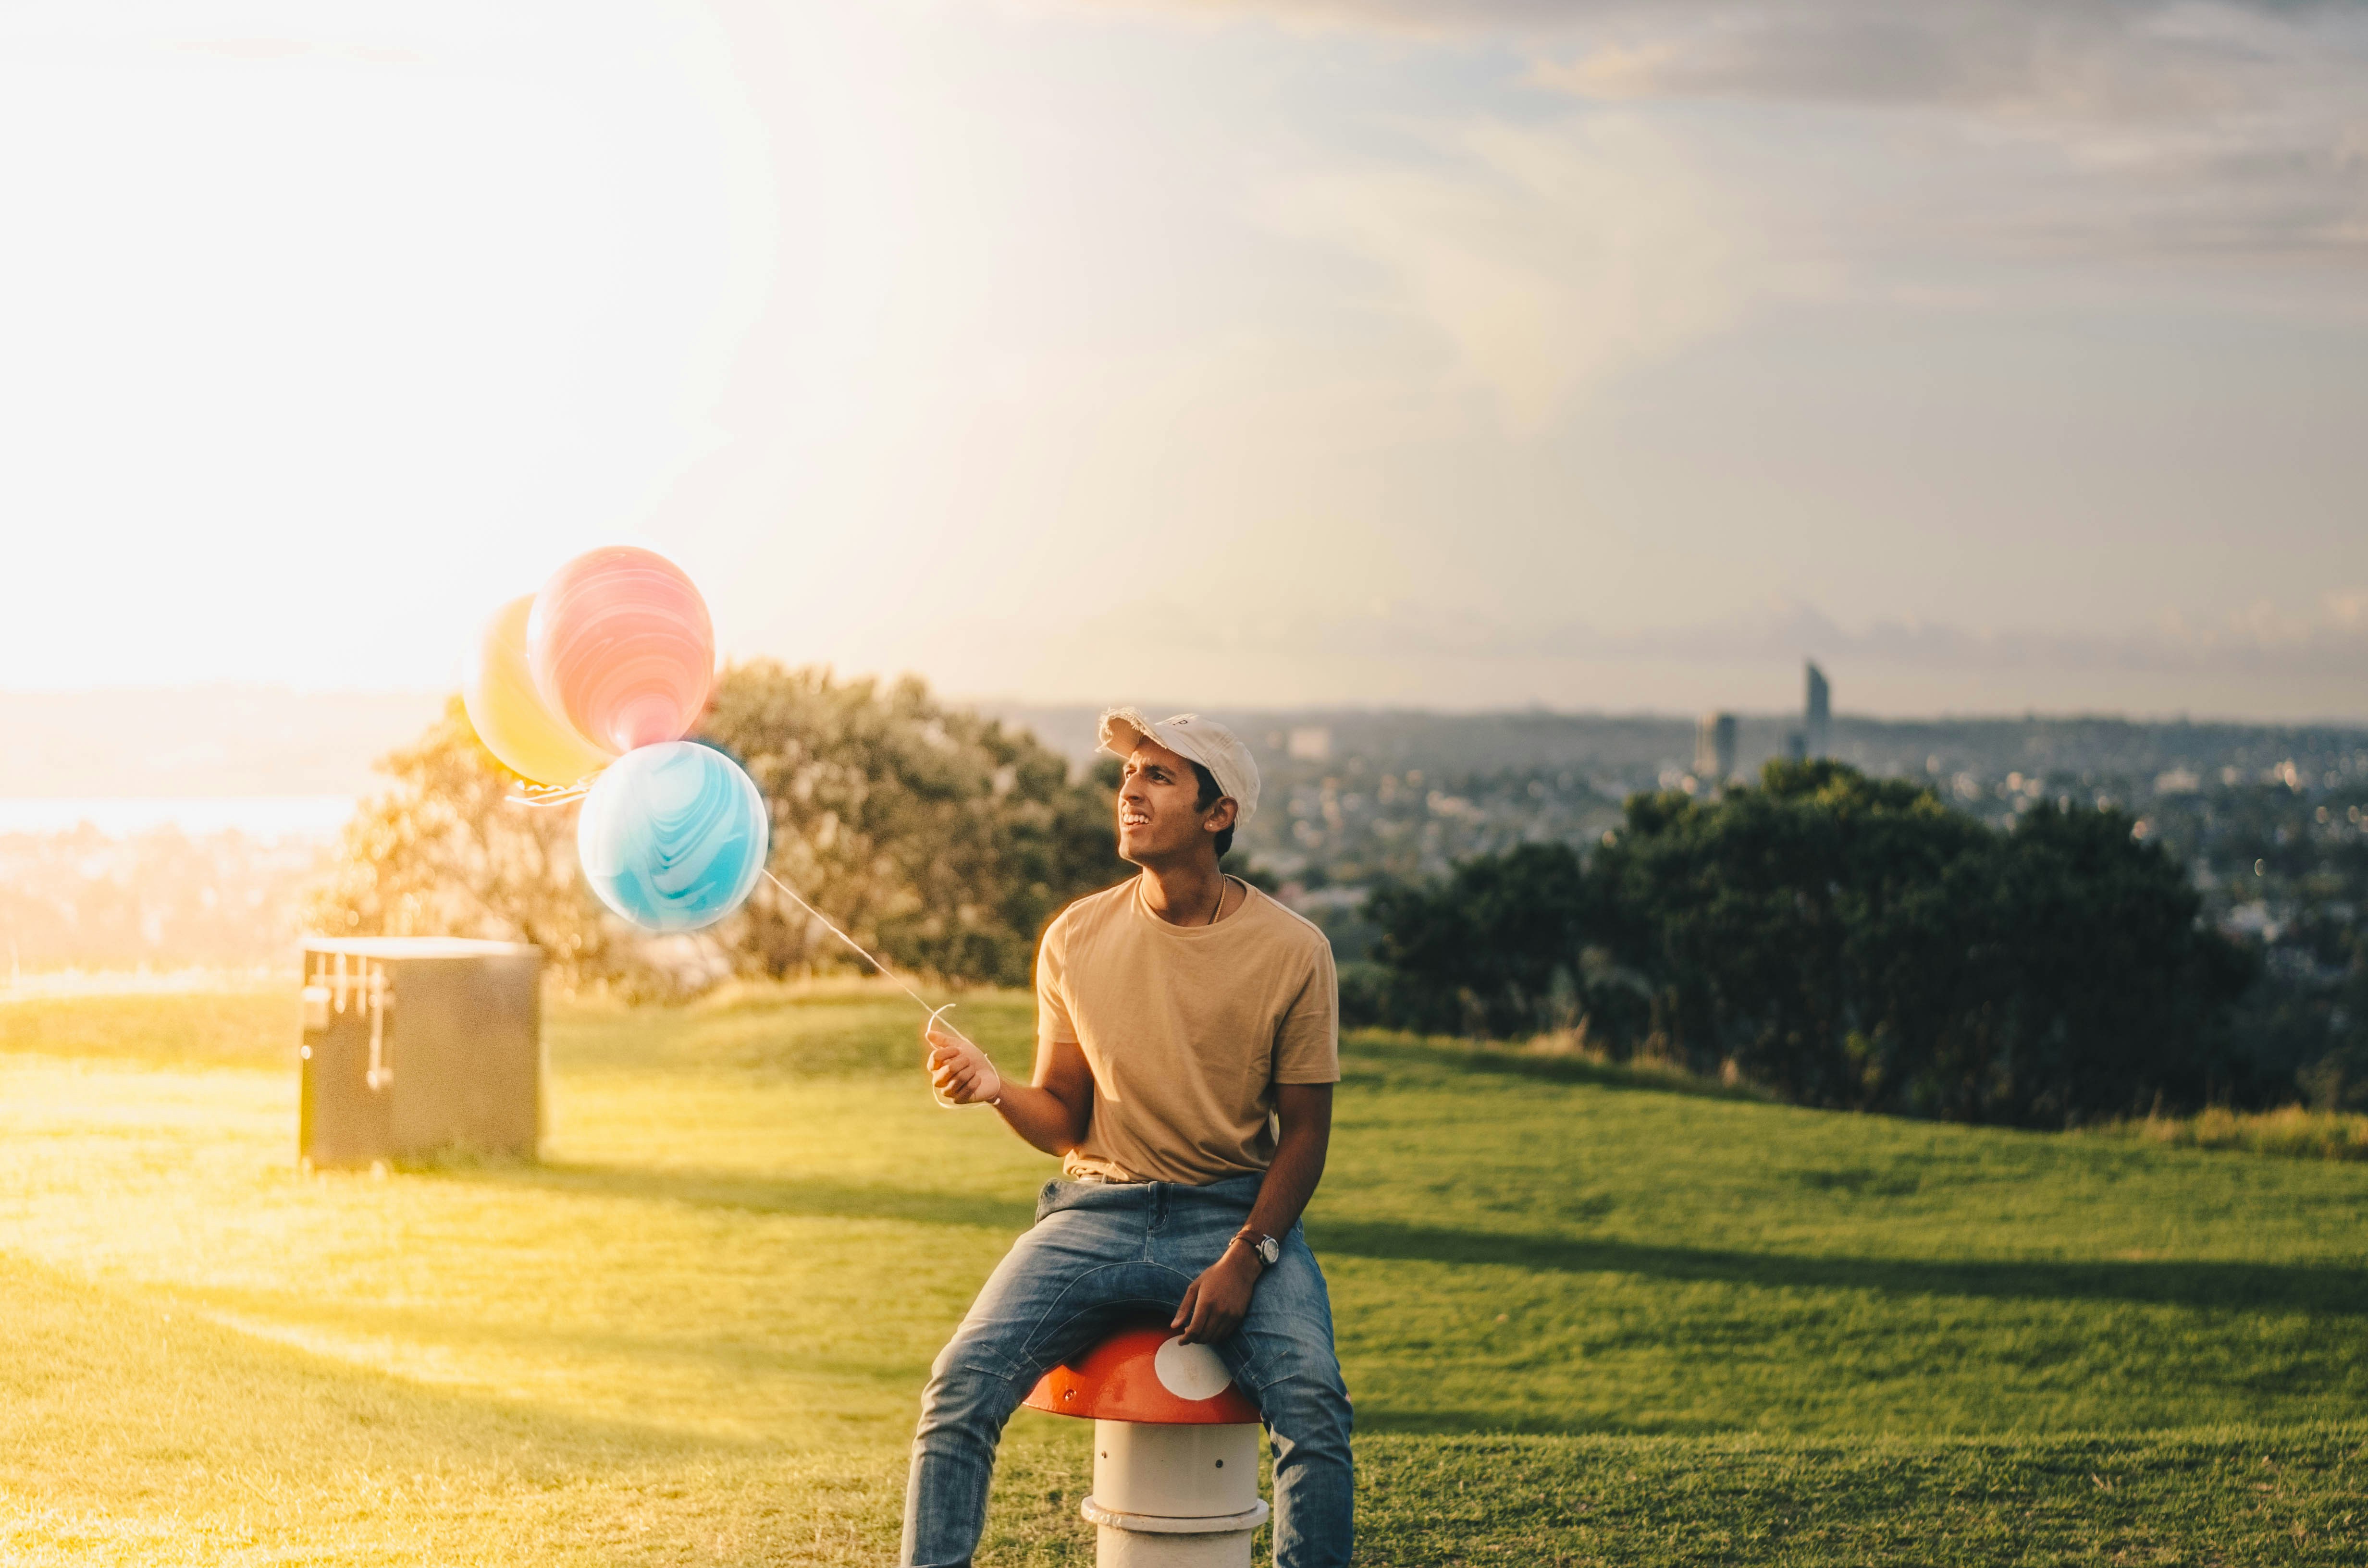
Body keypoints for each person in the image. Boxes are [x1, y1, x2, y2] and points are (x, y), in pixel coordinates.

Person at [900, 708, 1353, 1568]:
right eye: (1127, 775)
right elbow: (1064, 1118)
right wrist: (999, 1091)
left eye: (1159, 776)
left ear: (1219, 815)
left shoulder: (1297, 952)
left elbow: (1306, 1137)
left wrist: (1248, 1255)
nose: (1130, 792)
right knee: (959, 1386)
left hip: (1234, 1215)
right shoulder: (1074, 937)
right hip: (1092, 1212)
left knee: (1314, 1406)